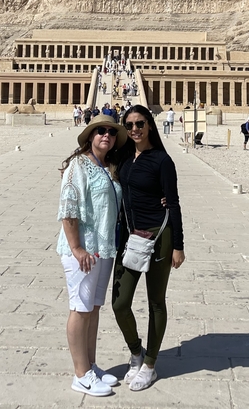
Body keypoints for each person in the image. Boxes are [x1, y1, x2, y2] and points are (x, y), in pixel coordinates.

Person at [112, 105, 185, 391]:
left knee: (156, 301)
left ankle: (151, 364)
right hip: (130, 237)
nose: (135, 129)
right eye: (129, 125)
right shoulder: (123, 157)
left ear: (150, 125)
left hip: (158, 237)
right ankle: (136, 351)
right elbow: (96, 155)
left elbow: (174, 203)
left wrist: (178, 246)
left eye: (140, 123)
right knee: (120, 303)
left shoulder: (162, 160)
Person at [57, 114, 128, 396]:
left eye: (111, 131)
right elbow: (68, 207)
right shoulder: (78, 165)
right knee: (80, 308)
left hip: (103, 249)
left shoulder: (109, 167)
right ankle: (80, 375)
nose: (106, 135)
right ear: (90, 136)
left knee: (93, 308)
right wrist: (76, 248)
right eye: (100, 130)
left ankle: (90, 365)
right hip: (83, 251)